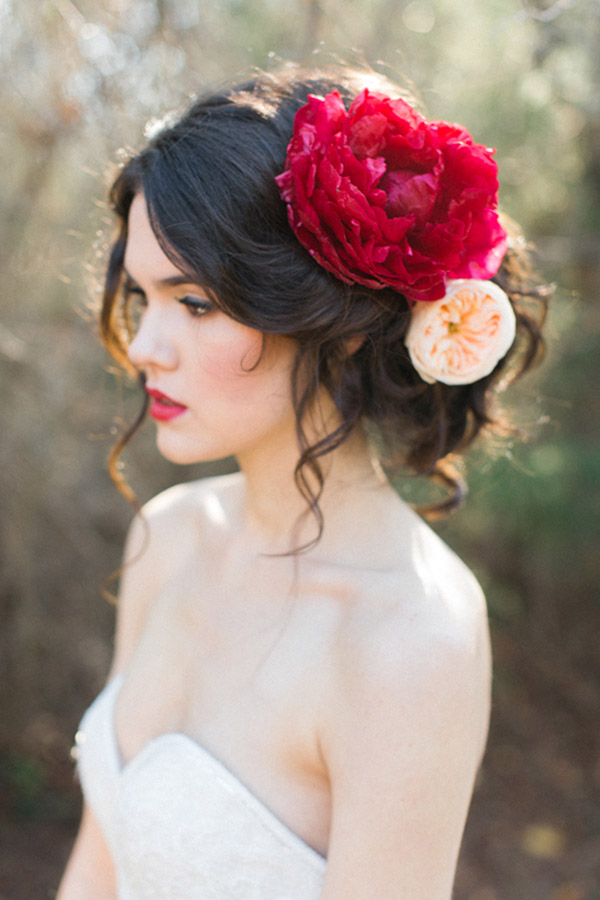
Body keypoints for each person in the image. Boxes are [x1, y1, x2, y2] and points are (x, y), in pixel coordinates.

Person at [58, 63, 548, 900]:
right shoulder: (167, 538)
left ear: (337, 319)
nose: (145, 348)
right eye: (144, 299)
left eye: (197, 303)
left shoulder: (411, 637)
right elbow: (99, 866)